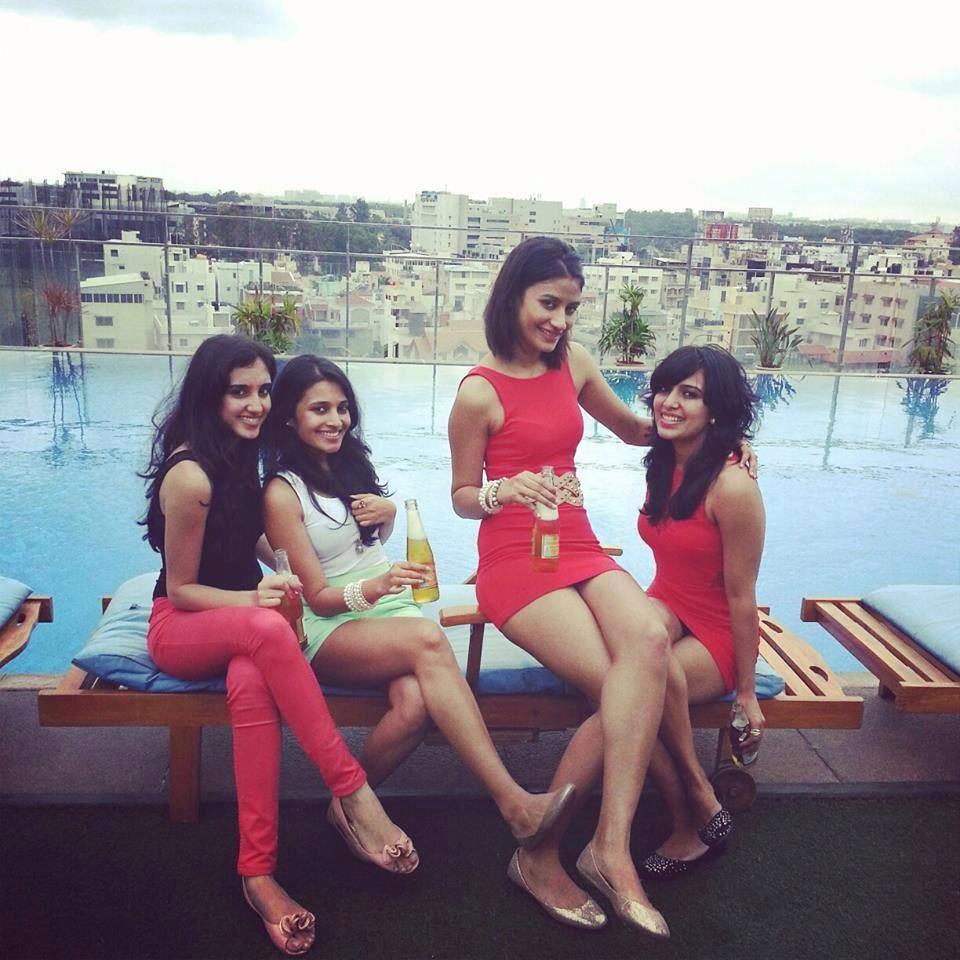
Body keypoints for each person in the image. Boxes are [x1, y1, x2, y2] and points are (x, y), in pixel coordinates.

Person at [141, 335, 417, 957]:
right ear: (210, 395)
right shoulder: (191, 475)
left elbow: (248, 543)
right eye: (239, 391)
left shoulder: (242, 456)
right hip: (180, 625)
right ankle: (353, 791)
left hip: (238, 628)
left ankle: (257, 873)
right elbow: (181, 590)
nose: (256, 404)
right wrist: (255, 599)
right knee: (267, 629)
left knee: (251, 679)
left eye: (264, 390)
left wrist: (291, 566)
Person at [446, 236, 686, 937]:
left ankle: (607, 846)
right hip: (514, 558)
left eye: (571, 307)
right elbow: (461, 496)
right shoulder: (478, 393)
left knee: (648, 641)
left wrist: (715, 433)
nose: (560, 320)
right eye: (548, 303)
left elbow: (637, 430)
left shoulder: (573, 362)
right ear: (513, 297)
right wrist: (504, 489)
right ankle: (543, 854)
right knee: (619, 683)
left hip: (575, 541)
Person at [260, 354, 575, 858]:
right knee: (429, 640)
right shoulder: (282, 493)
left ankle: (348, 805)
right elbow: (316, 596)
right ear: (289, 418)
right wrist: (379, 586)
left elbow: (361, 544)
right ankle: (514, 802)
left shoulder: (346, 465)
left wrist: (386, 517)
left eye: (342, 408)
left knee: (415, 705)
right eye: (319, 409)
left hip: (386, 612)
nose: (335, 419)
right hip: (330, 625)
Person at [635, 345, 765, 880]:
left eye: (689, 394)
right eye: (665, 389)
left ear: (716, 411)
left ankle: (692, 815)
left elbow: (742, 598)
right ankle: (694, 791)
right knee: (618, 666)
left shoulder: (733, 487)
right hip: (666, 602)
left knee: (635, 688)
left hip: (716, 630)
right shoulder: (666, 457)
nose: (669, 402)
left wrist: (748, 693)